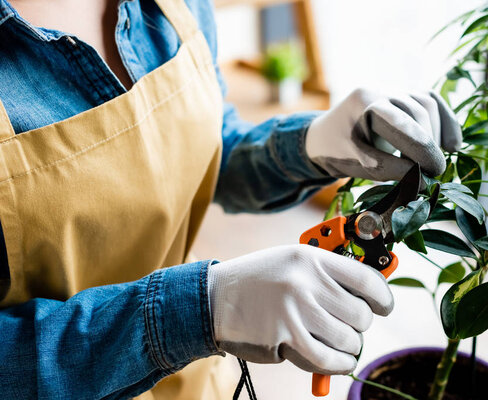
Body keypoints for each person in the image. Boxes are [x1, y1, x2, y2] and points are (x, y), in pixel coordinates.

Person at [0, 0, 462, 398]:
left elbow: (196, 151)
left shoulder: (172, 7)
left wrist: (313, 143)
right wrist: (197, 311)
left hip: (196, 383)